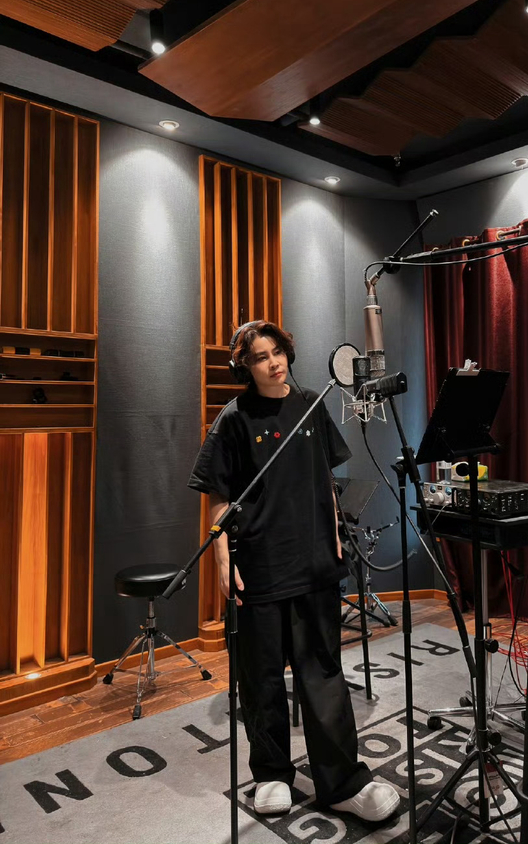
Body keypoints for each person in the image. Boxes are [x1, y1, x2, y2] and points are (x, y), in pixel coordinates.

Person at [188, 320, 399, 822]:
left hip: (314, 563)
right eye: (260, 357)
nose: (273, 362)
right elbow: (218, 494)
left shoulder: (310, 404)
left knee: (323, 674)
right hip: (258, 565)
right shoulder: (234, 418)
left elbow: (325, 476)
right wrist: (223, 558)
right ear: (245, 366)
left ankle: (342, 782)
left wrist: (334, 533)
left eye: (277, 351)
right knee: (260, 677)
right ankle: (271, 773)